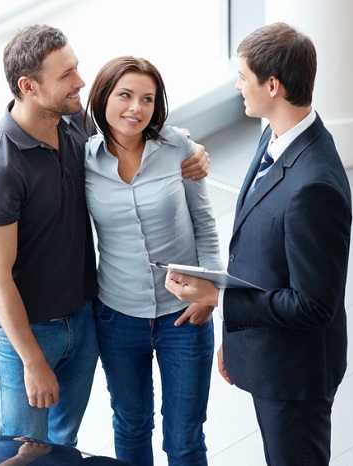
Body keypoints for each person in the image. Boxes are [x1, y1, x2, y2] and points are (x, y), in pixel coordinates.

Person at [0, 25, 208, 448]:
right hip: (27, 332)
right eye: (66, 75)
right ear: (29, 86)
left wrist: (190, 147)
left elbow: (135, 129)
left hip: (83, 316)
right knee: (21, 449)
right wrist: (31, 359)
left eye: (76, 68)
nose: (80, 81)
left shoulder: (76, 126)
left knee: (63, 443)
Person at [165, 22, 352, 465]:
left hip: (296, 375)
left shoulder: (315, 186)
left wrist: (220, 300)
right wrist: (239, 336)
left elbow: (313, 306)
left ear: (273, 85)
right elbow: (262, 257)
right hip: (272, 353)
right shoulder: (274, 133)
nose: (237, 85)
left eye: (243, 76)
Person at [85, 56, 223, 466]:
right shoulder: (82, 160)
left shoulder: (178, 146)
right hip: (117, 317)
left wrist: (210, 292)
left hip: (185, 316)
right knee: (130, 425)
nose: (136, 108)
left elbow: (205, 224)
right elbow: (44, 217)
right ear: (103, 98)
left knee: (185, 439)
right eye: (124, 95)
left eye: (147, 99)